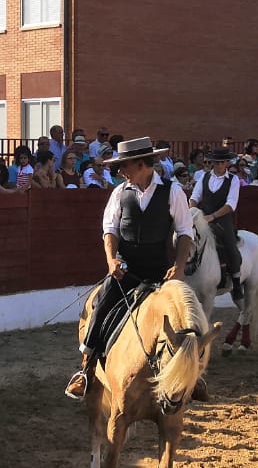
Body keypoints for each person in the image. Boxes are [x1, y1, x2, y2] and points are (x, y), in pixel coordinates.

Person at [65, 137, 195, 400]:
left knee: (189, 317)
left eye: (125, 165)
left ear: (141, 164)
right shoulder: (119, 192)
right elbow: (109, 230)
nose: (121, 171)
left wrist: (179, 267)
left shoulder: (173, 191)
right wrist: (111, 261)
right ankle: (86, 370)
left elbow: (184, 232)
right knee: (101, 306)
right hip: (126, 270)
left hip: (160, 272)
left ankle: (194, 375)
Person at [190, 147, 243, 300]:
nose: (219, 165)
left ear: (227, 163)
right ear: (213, 162)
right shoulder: (204, 177)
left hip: (222, 220)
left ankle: (236, 282)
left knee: (230, 246)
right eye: (217, 162)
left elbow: (231, 204)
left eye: (222, 162)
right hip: (202, 219)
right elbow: (195, 196)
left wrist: (212, 216)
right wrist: (193, 212)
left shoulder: (233, 180)